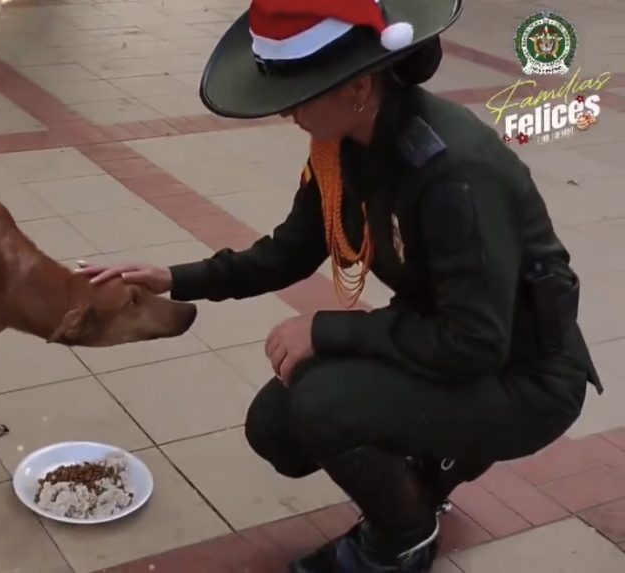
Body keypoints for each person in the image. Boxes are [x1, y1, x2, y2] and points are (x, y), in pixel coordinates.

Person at [77, 0, 604, 571]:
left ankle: (403, 539)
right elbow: (291, 249)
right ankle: (432, 470)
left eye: (298, 96)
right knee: (276, 427)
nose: (286, 114)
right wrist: (177, 278)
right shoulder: (343, 146)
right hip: (450, 343)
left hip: (523, 375)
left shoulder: (452, 174)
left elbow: (474, 341)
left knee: (322, 404)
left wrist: (325, 332)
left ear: (357, 90)